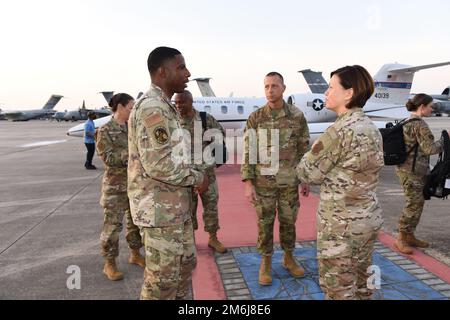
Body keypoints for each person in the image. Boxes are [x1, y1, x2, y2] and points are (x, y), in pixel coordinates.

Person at [296, 65, 384, 300]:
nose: (325, 92)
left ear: (349, 93)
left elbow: (307, 173)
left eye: (331, 87)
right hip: (366, 221)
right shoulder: (371, 128)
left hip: (341, 228)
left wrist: (306, 155)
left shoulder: (339, 132)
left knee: (338, 290)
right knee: (363, 286)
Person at [128, 47, 208, 300]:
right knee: (161, 286)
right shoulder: (153, 108)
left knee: (182, 276)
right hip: (160, 215)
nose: (188, 73)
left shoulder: (165, 106)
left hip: (174, 212)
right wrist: (197, 177)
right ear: (163, 71)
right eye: (181, 67)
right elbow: (160, 164)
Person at [241, 72, 310, 286]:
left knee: (289, 222)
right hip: (264, 184)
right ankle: (266, 263)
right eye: (267, 86)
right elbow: (249, 151)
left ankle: (288, 259)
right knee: (265, 223)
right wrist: (248, 183)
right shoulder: (256, 118)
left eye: (274, 86)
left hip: (290, 182)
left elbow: (303, 149)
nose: (270, 90)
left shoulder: (296, 116)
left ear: (283, 88)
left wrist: (305, 178)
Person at [95, 93, 145, 281]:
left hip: (135, 185)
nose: (133, 110)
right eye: (131, 107)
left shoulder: (134, 128)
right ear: (121, 107)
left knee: (135, 223)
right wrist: (131, 155)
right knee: (112, 226)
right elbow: (108, 158)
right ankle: (109, 263)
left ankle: (135, 254)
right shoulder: (105, 130)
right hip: (115, 187)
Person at [174, 90, 227, 254]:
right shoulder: (173, 121)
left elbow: (220, 134)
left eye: (181, 102)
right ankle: (190, 241)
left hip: (207, 174)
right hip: (185, 176)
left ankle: (213, 238)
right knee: (187, 210)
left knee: (211, 207)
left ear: (190, 102)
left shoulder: (204, 119)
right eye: (176, 103)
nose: (178, 106)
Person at [394, 94, 446, 254]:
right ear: (422, 106)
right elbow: (430, 149)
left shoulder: (406, 121)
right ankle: (401, 238)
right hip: (413, 172)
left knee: (417, 204)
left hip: (406, 169)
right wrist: (446, 139)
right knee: (413, 205)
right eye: (430, 106)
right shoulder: (420, 125)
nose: (432, 109)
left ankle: (409, 235)